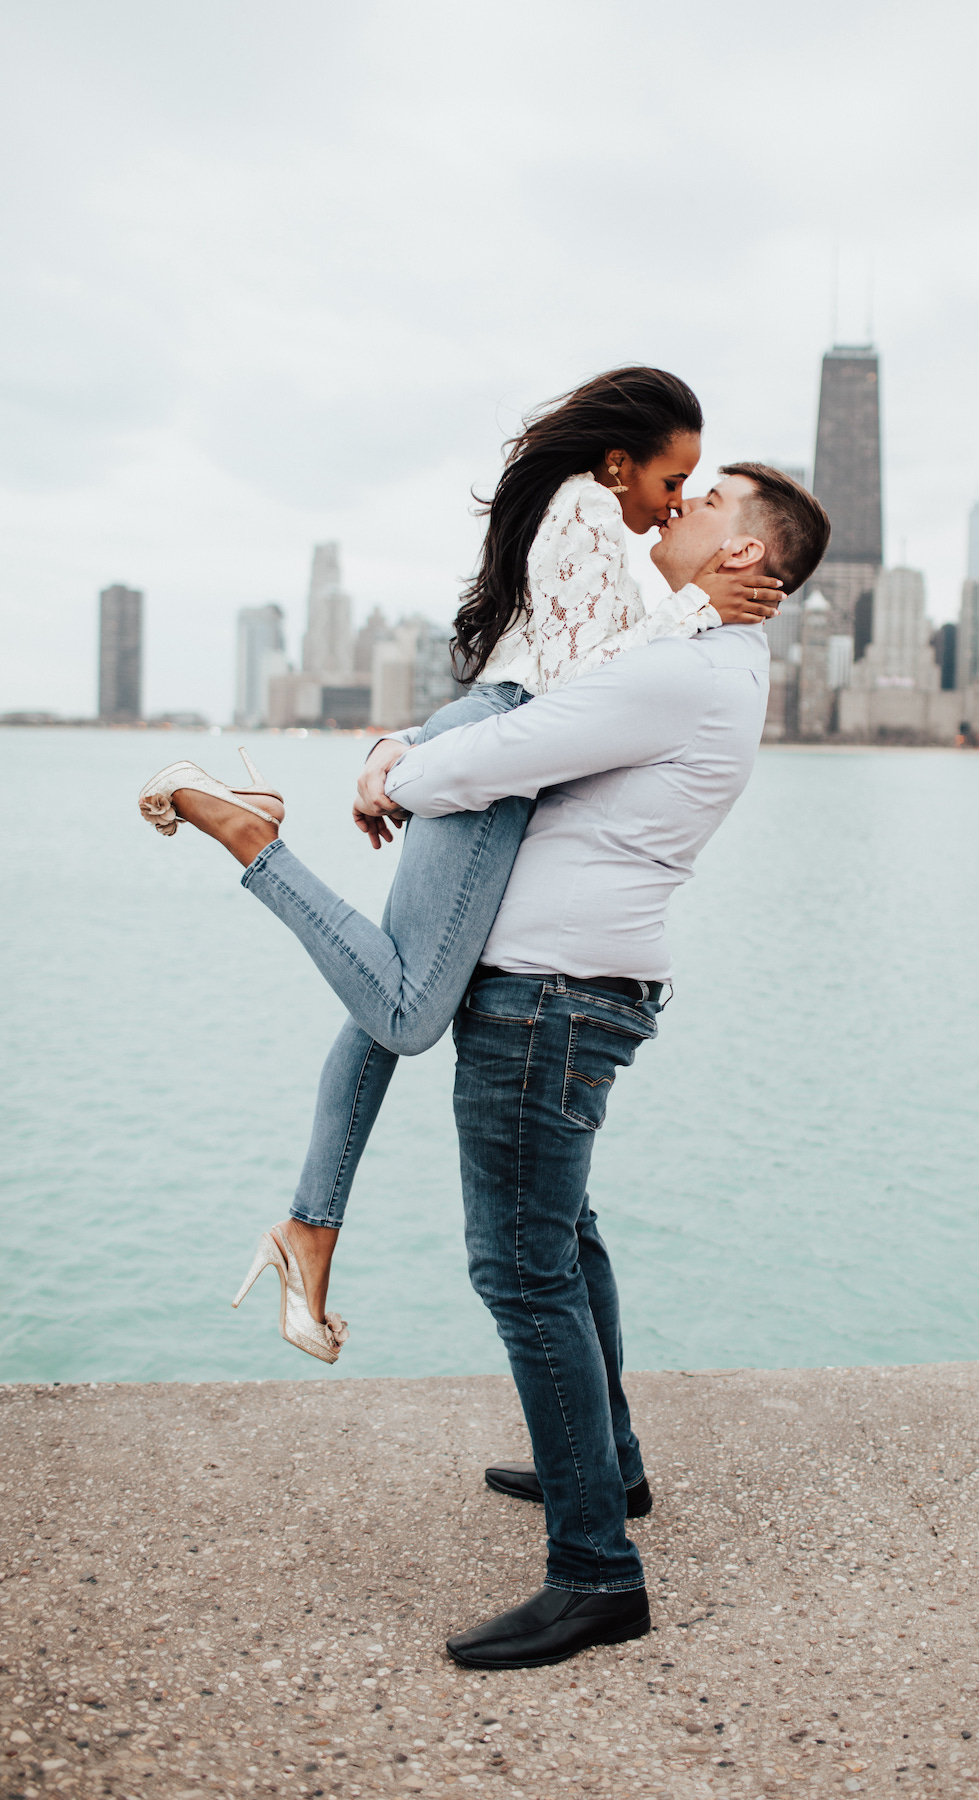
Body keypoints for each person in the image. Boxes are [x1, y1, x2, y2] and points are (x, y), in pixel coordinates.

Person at [138, 462, 829, 1668]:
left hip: (550, 1001)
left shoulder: (684, 670)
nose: (681, 506)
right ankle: (608, 1470)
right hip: (576, 990)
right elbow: (537, 707)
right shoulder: (703, 660)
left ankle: (596, 1573)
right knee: (566, 1242)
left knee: (519, 1269)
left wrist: (385, 769)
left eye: (710, 500)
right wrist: (415, 746)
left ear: (743, 558)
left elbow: (500, 752)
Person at [138, 369, 782, 1363]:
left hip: (488, 745)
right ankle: (249, 836)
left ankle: (310, 1233)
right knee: (405, 1010)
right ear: (618, 463)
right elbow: (579, 687)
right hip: (493, 759)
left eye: (691, 490)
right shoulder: (582, 510)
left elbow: (556, 684)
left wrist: (399, 747)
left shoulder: (596, 527)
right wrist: (693, 606)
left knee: (385, 1003)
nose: (671, 504)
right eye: (671, 479)